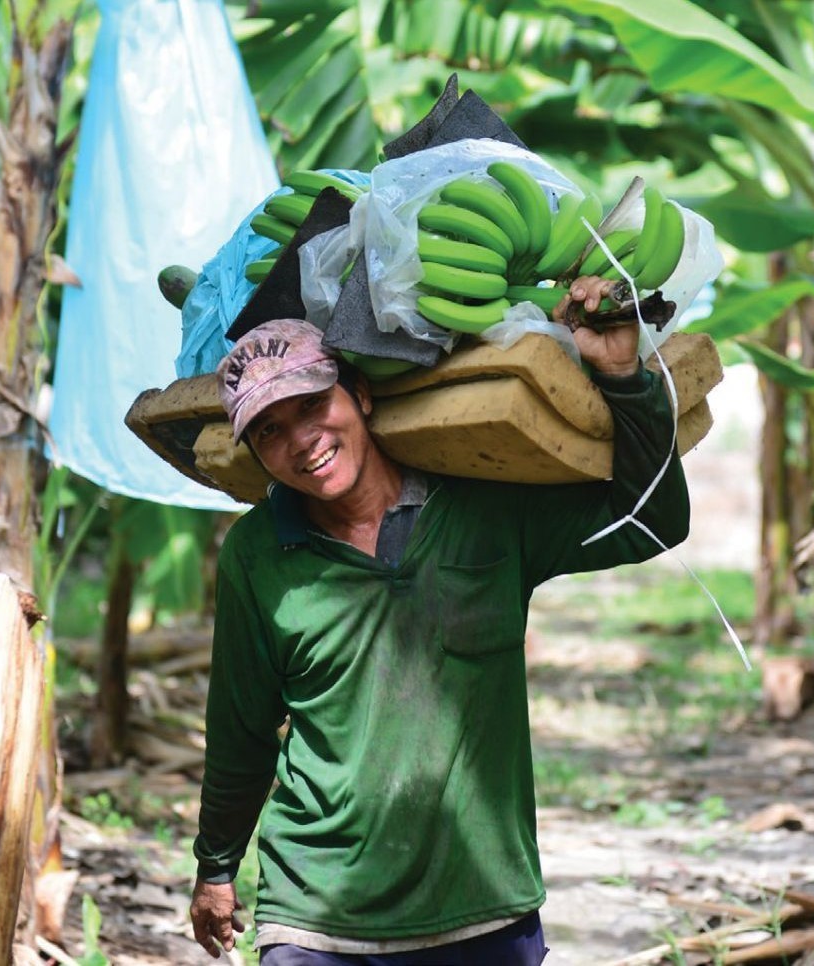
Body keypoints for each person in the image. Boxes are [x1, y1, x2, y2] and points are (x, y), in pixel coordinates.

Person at [189, 278, 691, 964]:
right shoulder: (258, 554)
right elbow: (242, 726)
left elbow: (652, 522)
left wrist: (620, 374)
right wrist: (216, 867)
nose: (302, 440)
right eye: (270, 431)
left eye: (313, 405)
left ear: (360, 395)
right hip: (315, 915)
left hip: (480, 903)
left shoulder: (485, 509)